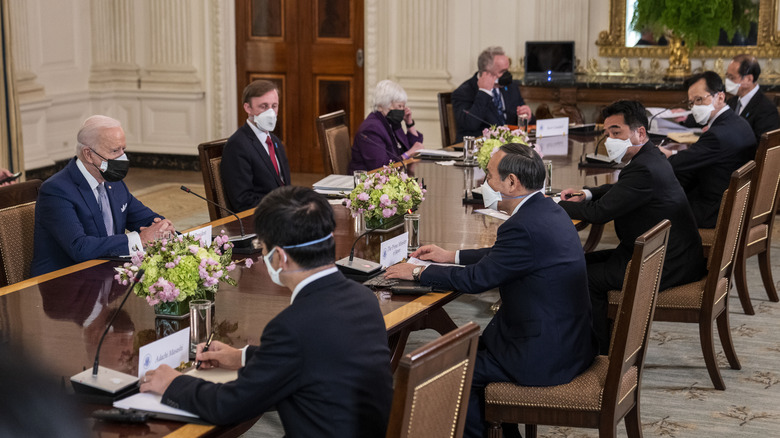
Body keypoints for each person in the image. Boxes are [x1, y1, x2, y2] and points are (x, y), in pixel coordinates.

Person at [141, 186, 393, 437]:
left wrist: (173, 384)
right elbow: (315, 355)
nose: (261, 253)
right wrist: (242, 356)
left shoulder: (291, 327)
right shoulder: (363, 299)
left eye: (262, 246)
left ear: (280, 256)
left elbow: (228, 405)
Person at [385, 143, 596, 438]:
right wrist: (451, 256)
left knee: (445, 372)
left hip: (542, 355)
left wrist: (418, 271)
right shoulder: (548, 209)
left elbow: (477, 280)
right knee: (462, 352)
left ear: (512, 182)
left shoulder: (522, 226)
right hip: (568, 342)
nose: (484, 183)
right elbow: (504, 257)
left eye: (489, 176)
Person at [559, 100, 706, 354]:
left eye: (616, 133)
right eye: (607, 134)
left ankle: (598, 352)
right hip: (661, 254)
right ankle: (591, 338)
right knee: (578, 263)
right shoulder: (651, 159)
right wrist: (587, 192)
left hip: (664, 264)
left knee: (583, 276)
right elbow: (620, 190)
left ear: (640, 133)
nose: (609, 140)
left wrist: (550, 205)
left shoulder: (644, 170)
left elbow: (599, 214)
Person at [31, 116, 174, 277]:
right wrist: (138, 240)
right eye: (114, 151)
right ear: (88, 154)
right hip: (64, 283)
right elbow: (80, 247)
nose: (122, 158)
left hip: (107, 277)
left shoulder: (114, 182)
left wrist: (162, 228)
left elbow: (145, 218)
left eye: (123, 150)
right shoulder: (56, 190)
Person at [660, 71, 756, 228]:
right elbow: (698, 156)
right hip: (734, 208)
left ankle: (648, 252)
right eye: (691, 103)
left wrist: (663, 155)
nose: (695, 107)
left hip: (713, 212)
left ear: (720, 97)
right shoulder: (739, 123)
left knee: (649, 208)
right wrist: (673, 154)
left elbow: (678, 164)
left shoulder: (717, 135)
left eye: (699, 100)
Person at [222, 79, 291, 211]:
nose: (270, 113)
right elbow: (243, 201)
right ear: (248, 108)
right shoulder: (237, 146)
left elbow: (284, 187)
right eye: (263, 106)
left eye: (274, 106)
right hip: (261, 218)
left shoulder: (275, 141)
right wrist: (282, 208)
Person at [452, 46, 534, 142]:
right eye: (502, 72)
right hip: (479, 146)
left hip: (509, 146)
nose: (507, 76)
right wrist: (484, 92)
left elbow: (518, 121)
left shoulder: (512, 87)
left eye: (507, 70)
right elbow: (470, 124)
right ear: (486, 73)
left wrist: (527, 116)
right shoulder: (464, 92)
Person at [348, 80, 424, 172]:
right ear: (383, 104)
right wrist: (408, 153)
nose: (403, 110)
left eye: (404, 106)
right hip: (367, 182)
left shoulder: (391, 122)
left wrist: (409, 123)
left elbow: (415, 147)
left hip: (389, 179)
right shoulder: (371, 129)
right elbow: (380, 167)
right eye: (400, 106)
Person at [724, 54, 780, 143]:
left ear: (749, 79)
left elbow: (762, 147)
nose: (727, 81)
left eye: (732, 77)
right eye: (727, 76)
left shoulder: (767, 109)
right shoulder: (731, 101)